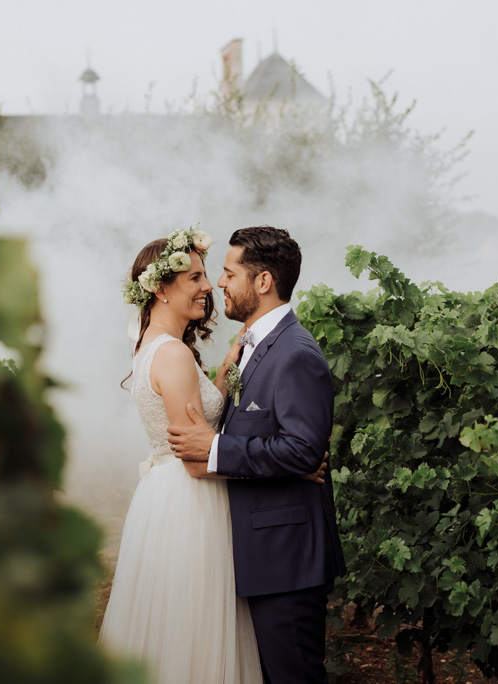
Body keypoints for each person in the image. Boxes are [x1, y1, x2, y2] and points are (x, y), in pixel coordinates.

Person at [168, 225, 347, 684]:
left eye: (229, 273)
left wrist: (217, 448)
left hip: (286, 558)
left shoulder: (295, 353)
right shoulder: (255, 344)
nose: (220, 284)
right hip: (261, 553)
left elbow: (305, 450)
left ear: (263, 281)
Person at [98, 225, 263, 683]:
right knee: (195, 619)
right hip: (191, 499)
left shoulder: (158, 348)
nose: (208, 286)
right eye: (194, 277)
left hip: (165, 494)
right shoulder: (171, 355)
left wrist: (228, 364)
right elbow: (197, 457)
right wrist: (281, 470)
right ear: (160, 288)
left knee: (174, 624)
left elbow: (199, 419)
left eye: (205, 275)